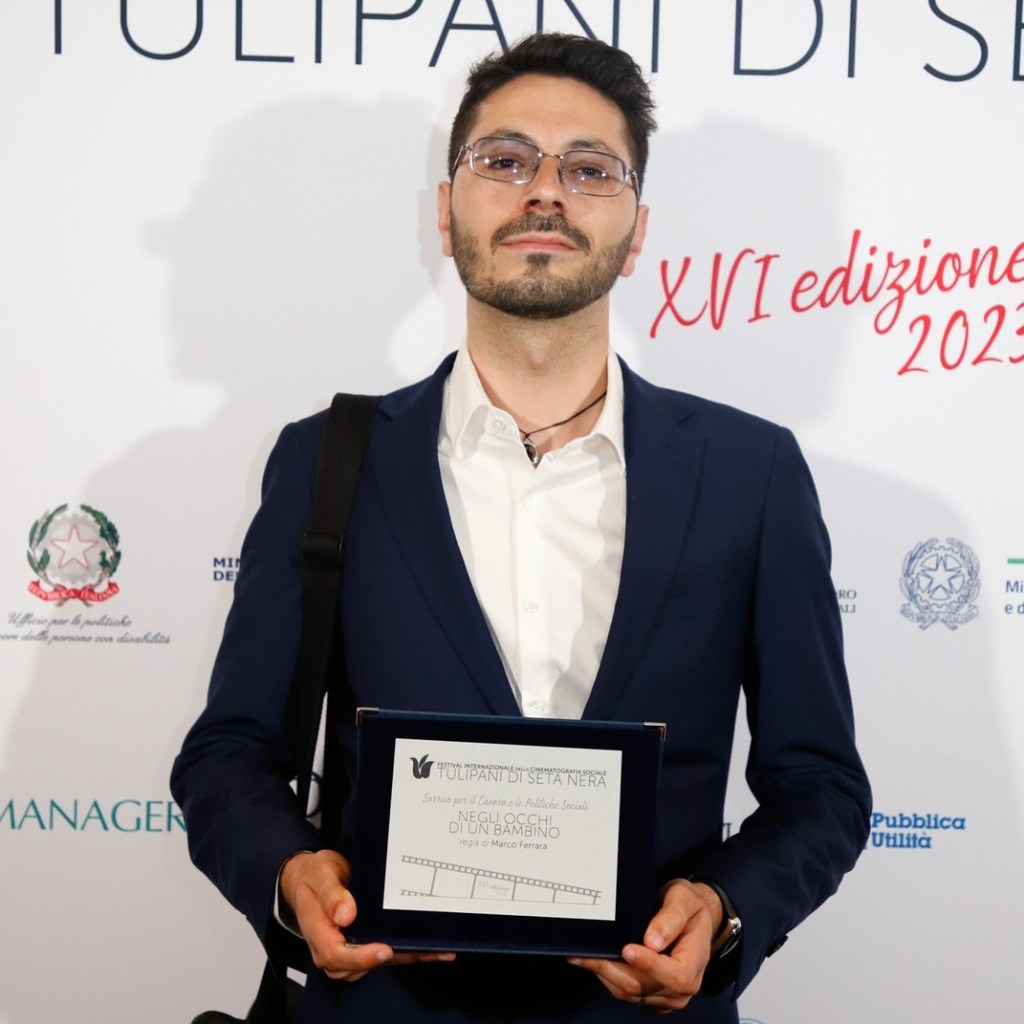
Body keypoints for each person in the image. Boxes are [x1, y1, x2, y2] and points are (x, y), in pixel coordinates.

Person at [171, 32, 870, 1023]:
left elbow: (821, 787)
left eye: (589, 169)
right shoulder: (328, 459)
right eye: (503, 160)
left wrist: (724, 911)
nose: (544, 191)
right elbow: (230, 754)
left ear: (637, 230)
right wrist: (290, 875)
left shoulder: (749, 473)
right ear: (444, 213)